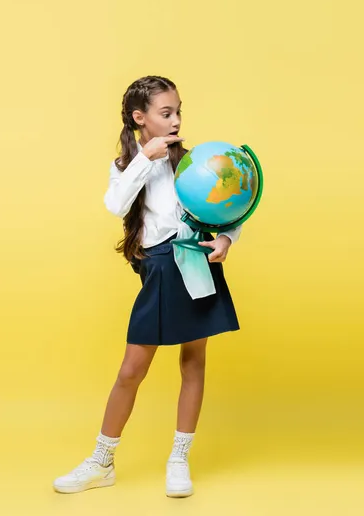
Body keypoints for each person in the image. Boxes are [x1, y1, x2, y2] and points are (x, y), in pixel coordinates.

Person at [53, 75, 242, 498]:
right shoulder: (125, 165)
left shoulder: (193, 162)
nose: (176, 121)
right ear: (141, 119)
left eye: (178, 112)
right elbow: (116, 204)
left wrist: (228, 239)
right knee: (131, 370)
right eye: (166, 113)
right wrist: (146, 158)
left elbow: (230, 206)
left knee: (193, 362)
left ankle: (179, 458)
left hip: (196, 263)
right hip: (158, 268)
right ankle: (102, 461)